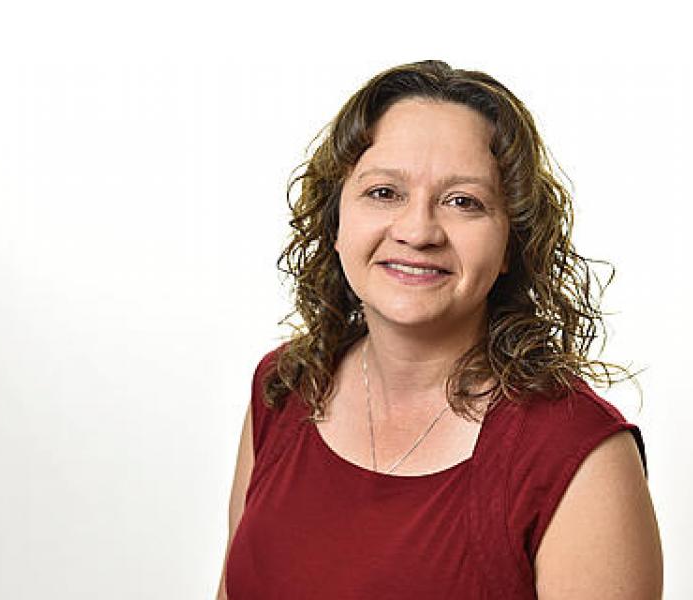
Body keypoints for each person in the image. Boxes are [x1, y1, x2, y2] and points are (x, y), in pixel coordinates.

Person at [215, 60, 663, 599]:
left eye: (463, 202)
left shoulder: (577, 455)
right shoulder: (284, 387)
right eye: (384, 192)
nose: (418, 230)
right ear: (335, 221)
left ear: (509, 245)